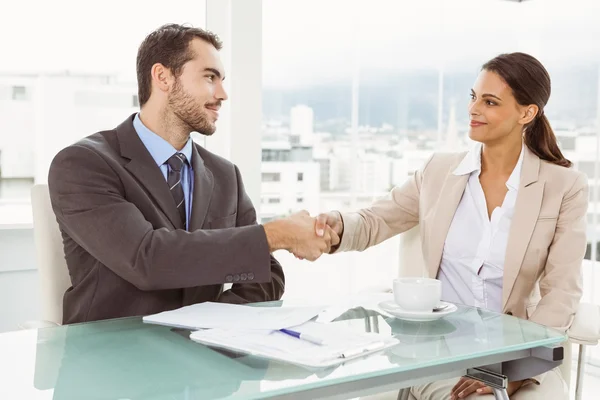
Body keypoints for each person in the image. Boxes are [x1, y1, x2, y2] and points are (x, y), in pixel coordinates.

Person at [315, 52, 587, 399]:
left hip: (521, 355)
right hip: (440, 353)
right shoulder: (438, 172)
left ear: (527, 113)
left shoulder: (564, 186)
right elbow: (376, 219)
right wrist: (336, 226)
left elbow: (562, 291)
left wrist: (514, 371)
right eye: (474, 98)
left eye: (490, 102)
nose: (474, 110)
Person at [48, 24, 338, 324]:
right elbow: (148, 260)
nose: (223, 94)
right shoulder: (83, 164)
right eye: (210, 77)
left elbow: (266, 277)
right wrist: (278, 234)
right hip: (110, 357)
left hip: (203, 353)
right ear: (163, 77)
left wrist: (203, 324)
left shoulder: (225, 176)